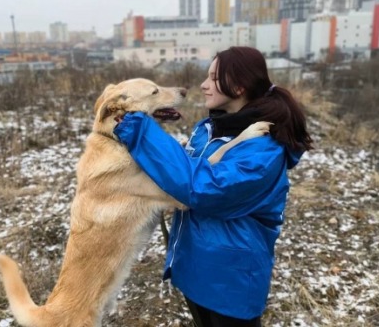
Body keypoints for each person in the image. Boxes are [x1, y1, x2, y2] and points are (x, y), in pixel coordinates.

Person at [114, 46, 313, 327]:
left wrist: (140, 131)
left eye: (212, 78)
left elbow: (202, 187)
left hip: (230, 283)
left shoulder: (264, 150)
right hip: (196, 270)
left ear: (239, 85)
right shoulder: (209, 128)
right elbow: (184, 169)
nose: (203, 85)